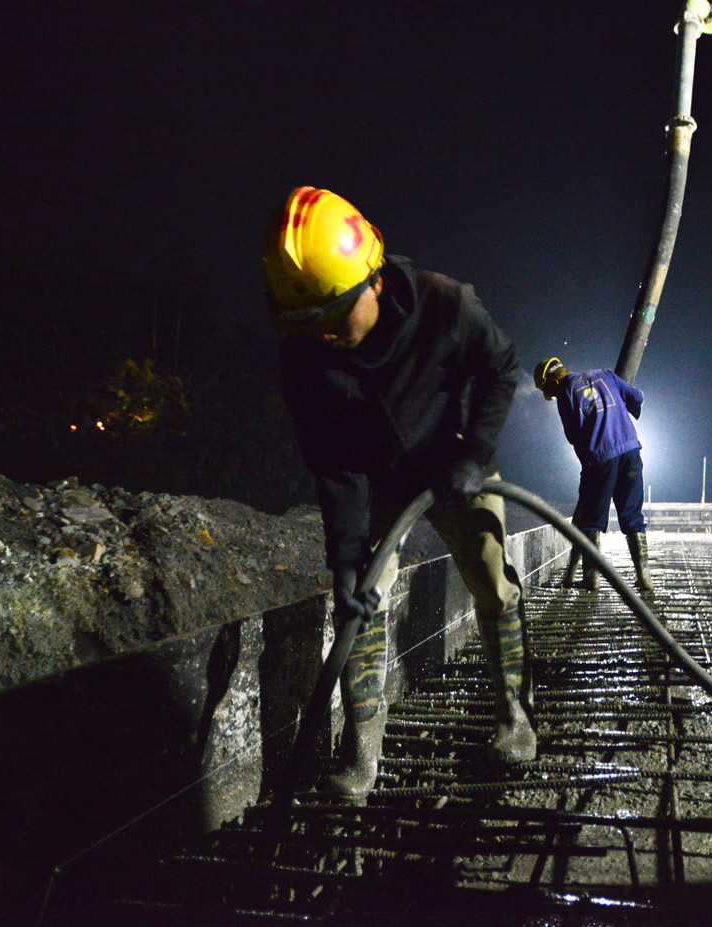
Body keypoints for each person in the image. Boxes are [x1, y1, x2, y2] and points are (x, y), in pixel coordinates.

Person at [264, 186, 535, 800]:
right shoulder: (307, 358)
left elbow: (501, 368)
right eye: (309, 324)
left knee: (493, 584)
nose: (325, 335)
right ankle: (361, 759)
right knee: (360, 602)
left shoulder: (445, 306)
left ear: (375, 283)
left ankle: (515, 721)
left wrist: (474, 453)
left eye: (335, 315)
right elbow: (332, 466)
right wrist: (347, 564)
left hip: (455, 465)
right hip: (379, 481)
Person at [535, 358, 653, 595]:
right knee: (632, 514)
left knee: (591, 520)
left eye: (551, 392)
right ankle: (644, 577)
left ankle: (591, 578)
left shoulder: (566, 393)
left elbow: (573, 435)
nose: (554, 397)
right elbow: (637, 398)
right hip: (630, 450)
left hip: (600, 458)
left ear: (554, 381)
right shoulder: (605, 374)